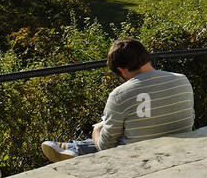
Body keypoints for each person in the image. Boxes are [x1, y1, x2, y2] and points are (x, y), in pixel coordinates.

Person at [42, 37, 196, 162]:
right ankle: (73, 148)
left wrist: (96, 131)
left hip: (139, 155)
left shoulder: (120, 94)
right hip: (177, 143)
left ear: (121, 70)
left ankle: (76, 149)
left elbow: (105, 147)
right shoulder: (182, 80)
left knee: (109, 136)